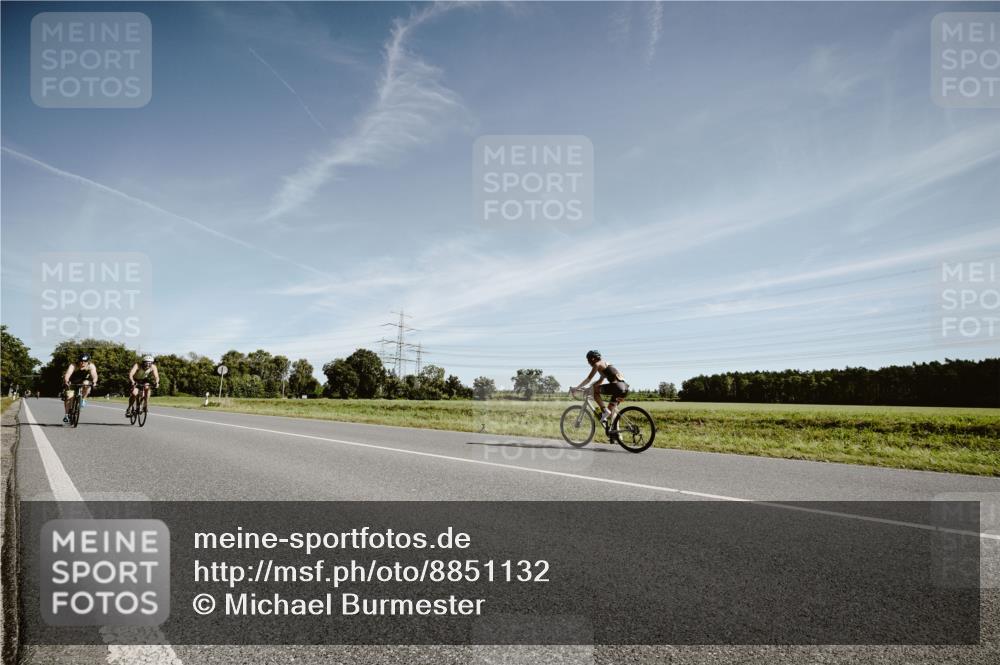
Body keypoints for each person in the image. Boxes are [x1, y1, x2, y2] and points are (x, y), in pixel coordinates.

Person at [573, 350, 629, 426]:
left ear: (593, 359)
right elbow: (599, 382)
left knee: (596, 391)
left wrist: (577, 388)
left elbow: (588, 379)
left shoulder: (597, 364)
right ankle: (616, 434)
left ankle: (604, 410)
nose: (588, 363)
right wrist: (588, 389)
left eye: (588, 360)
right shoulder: (605, 364)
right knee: (612, 411)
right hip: (624, 388)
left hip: (617, 387)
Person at [63, 353, 98, 423]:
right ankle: (66, 415)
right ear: (78, 361)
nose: (83, 363)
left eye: (85, 361)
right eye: (81, 361)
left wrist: (94, 382)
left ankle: (83, 399)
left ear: (88, 361)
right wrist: (66, 380)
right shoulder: (73, 365)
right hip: (72, 382)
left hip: (83, 381)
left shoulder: (91, 366)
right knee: (69, 397)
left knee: (87, 384)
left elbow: (94, 375)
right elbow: (68, 374)